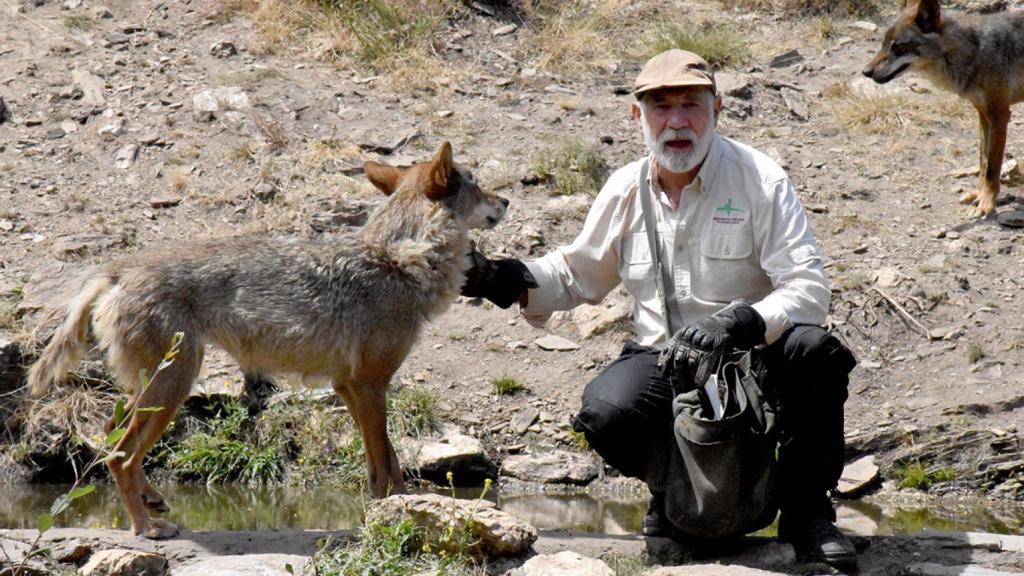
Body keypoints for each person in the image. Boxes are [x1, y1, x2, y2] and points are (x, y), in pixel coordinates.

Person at [461, 49, 858, 571]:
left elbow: (809, 290)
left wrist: (740, 322)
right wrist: (506, 279)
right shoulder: (625, 187)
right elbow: (578, 274)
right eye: (660, 107)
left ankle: (807, 514)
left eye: (690, 105)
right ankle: (673, 496)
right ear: (637, 117)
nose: (676, 122)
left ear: (717, 108)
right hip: (666, 359)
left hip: (754, 360)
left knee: (818, 352)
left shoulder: (762, 180)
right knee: (606, 411)